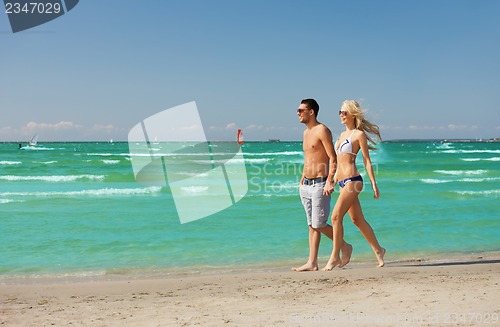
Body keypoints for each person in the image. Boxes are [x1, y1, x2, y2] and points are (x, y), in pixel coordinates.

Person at [323, 100, 386, 270]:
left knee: (335, 217)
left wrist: (374, 183)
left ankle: (335, 256)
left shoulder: (358, 135)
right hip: (343, 183)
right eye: (340, 112)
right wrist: (332, 181)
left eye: (344, 112)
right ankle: (379, 250)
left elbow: (366, 161)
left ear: (352, 114)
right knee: (357, 219)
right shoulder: (341, 137)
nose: (341, 115)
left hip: (353, 181)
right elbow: (337, 164)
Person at [292, 98, 352, 272]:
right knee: (312, 225)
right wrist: (302, 177)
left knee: (319, 224)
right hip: (306, 184)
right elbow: (310, 157)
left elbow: (332, 157)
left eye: (301, 110)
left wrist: (329, 180)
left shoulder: (322, 130)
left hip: (320, 184)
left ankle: (345, 246)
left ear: (311, 112)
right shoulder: (305, 133)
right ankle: (312, 262)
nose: (298, 113)